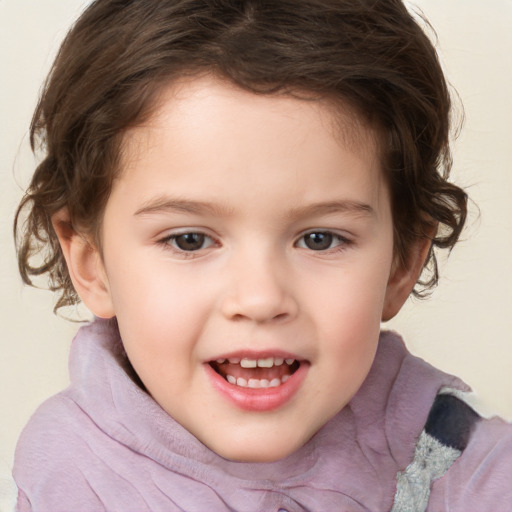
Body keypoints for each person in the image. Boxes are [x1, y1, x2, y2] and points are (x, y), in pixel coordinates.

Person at [11, 0, 512, 510]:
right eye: (190, 239)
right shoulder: (70, 472)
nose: (259, 299)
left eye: (320, 239)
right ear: (91, 261)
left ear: (401, 263)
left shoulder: (465, 465)